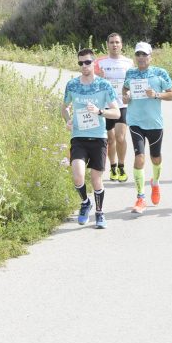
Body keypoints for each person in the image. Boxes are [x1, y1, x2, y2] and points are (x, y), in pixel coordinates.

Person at [61, 48, 120, 229]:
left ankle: (100, 213)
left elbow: (116, 113)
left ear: (94, 63)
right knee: (78, 176)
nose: (84, 66)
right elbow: (64, 108)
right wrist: (68, 120)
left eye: (87, 62)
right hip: (79, 136)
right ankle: (85, 202)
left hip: (98, 138)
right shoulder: (72, 85)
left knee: (96, 179)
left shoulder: (104, 85)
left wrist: (99, 111)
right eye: (81, 63)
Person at [122, 42, 172, 214]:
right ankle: (140, 197)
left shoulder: (160, 73)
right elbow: (125, 90)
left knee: (156, 158)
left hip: (154, 124)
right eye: (138, 54)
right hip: (135, 121)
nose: (141, 57)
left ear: (150, 56)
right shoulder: (130, 72)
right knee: (139, 157)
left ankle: (155, 183)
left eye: (144, 54)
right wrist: (126, 96)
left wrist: (156, 95)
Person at [95, 32, 134, 182]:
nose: (114, 45)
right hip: (105, 106)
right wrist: (100, 78)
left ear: (121, 44)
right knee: (110, 139)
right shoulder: (100, 62)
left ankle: (122, 166)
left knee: (121, 137)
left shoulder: (129, 62)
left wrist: (129, 94)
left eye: (117, 42)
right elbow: (93, 82)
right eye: (111, 42)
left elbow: (132, 83)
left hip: (122, 104)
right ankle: (112, 167)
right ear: (107, 44)